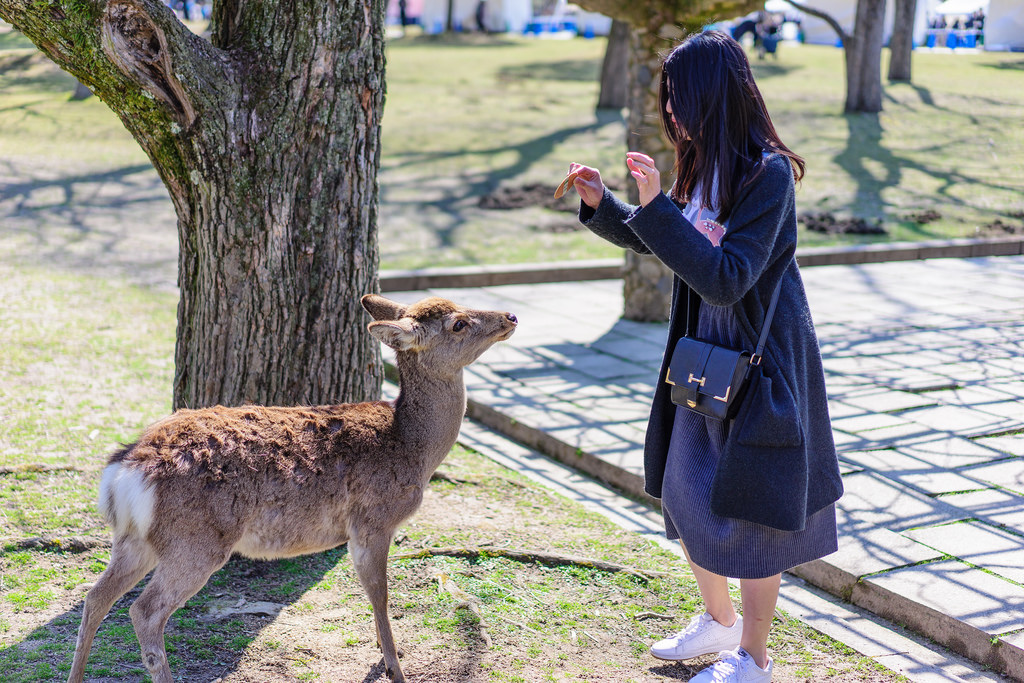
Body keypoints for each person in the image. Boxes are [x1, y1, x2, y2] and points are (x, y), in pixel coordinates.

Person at [565, 30, 842, 683]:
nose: (669, 112)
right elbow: (669, 246)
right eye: (666, 100)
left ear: (712, 97)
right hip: (703, 356)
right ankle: (716, 622)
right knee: (685, 491)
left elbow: (726, 276)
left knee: (755, 517)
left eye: (678, 99)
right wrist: (606, 208)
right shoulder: (703, 167)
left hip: (760, 364)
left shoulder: (767, 174)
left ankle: (754, 657)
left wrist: (658, 206)